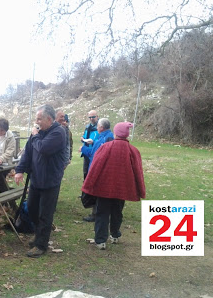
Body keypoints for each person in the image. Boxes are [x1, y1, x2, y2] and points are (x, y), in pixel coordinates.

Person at [81, 122, 146, 250]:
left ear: (116, 133)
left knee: (102, 213)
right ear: (126, 135)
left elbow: (95, 167)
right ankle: (115, 235)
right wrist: (140, 189)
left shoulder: (106, 147)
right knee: (117, 212)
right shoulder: (133, 151)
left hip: (103, 188)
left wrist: (88, 184)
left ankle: (100, 241)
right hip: (123, 189)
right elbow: (138, 171)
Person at [15, 105, 66, 258]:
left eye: (39, 119)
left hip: (51, 180)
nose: (36, 122)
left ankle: (41, 245)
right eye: (36, 119)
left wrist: (35, 135)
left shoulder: (58, 132)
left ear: (49, 119)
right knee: (31, 208)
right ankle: (39, 235)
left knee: (45, 213)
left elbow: (43, 148)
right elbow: (28, 153)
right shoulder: (38, 133)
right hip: (36, 179)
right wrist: (19, 170)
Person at [79, 117, 114, 222]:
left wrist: (83, 149)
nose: (97, 127)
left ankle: (96, 215)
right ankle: (99, 213)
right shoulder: (106, 137)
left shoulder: (104, 139)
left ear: (102, 127)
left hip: (99, 171)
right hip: (101, 170)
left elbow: (94, 155)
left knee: (96, 192)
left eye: (98, 126)